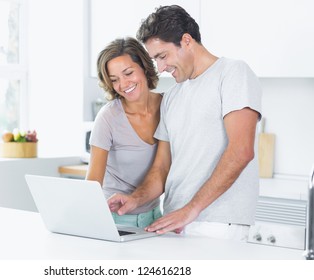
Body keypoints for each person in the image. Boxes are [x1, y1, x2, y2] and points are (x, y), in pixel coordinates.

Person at [108, 5, 262, 241]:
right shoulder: (172, 96)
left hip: (218, 225)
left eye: (162, 56)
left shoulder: (232, 73)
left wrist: (191, 209)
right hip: (174, 222)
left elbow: (241, 151)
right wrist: (135, 199)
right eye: (155, 59)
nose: (160, 68)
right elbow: (161, 168)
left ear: (186, 41)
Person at [86, 37, 163, 228]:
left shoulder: (168, 106)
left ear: (144, 67)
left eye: (128, 73)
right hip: (114, 220)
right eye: (114, 80)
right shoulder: (108, 118)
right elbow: (92, 183)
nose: (123, 84)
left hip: (155, 218)